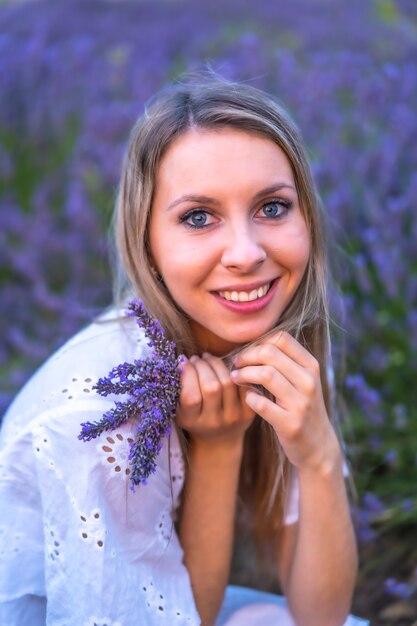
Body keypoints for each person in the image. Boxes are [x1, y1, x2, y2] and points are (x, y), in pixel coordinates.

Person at [0, 77, 369, 626]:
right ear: (145, 241)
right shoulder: (101, 421)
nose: (246, 253)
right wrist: (220, 449)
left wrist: (318, 457)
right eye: (199, 217)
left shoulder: (275, 340)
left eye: (272, 207)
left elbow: (320, 617)